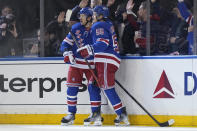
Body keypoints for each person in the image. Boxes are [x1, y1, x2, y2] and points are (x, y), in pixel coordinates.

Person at [77, 5, 130, 126]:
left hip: (107, 60)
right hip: (104, 60)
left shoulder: (98, 25)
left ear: (100, 16)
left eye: (95, 14)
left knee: (107, 87)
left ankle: (122, 115)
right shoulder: (107, 24)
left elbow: (103, 43)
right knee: (92, 85)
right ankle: (96, 114)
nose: (93, 16)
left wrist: (89, 49)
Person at [60, 7, 102, 126]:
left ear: (89, 18)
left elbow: (101, 46)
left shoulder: (97, 29)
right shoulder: (76, 28)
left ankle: (96, 114)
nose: (80, 18)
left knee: (93, 88)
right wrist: (66, 52)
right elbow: (64, 44)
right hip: (76, 64)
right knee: (71, 88)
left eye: (82, 16)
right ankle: (71, 114)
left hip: (92, 65)